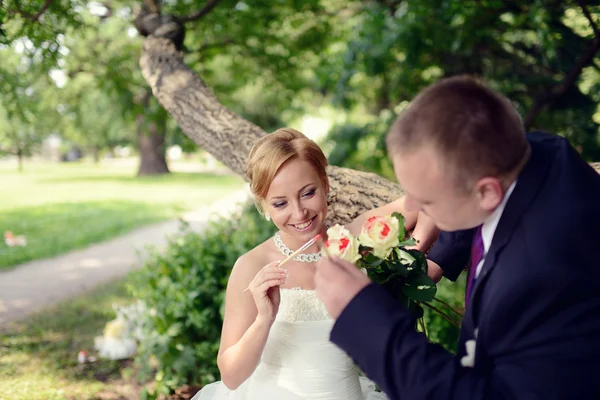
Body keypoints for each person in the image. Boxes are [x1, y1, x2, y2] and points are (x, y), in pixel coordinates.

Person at [314, 75, 600, 400]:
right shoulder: (539, 154)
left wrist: (362, 315)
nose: (410, 207)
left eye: (427, 200)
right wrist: (438, 257)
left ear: (487, 192)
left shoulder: (540, 275)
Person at [192, 128, 439, 400]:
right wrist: (264, 319)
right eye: (280, 203)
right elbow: (231, 375)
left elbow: (427, 199)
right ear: (263, 206)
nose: (299, 213)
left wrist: (417, 250)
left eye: (308, 193)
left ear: (326, 184)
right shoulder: (252, 266)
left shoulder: (351, 241)